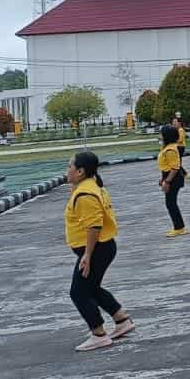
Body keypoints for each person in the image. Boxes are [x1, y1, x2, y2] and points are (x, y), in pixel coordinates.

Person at [63, 151, 133, 352]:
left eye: (70, 166)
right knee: (91, 287)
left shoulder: (85, 194)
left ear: (81, 171)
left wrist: (87, 254)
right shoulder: (89, 186)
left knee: (78, 292)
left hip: (97, 248)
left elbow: (94, 226)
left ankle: (98, 333)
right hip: (101, 247)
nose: (67, 170)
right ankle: (121, 319)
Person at [158, 126, 188, 237]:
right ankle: (179, 227)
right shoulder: (167, 147)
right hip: (168, 176)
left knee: (171, 203)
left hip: (173, 179)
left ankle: (179, 227)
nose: (160, 136)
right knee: (171, 203)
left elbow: (175, 168)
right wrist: (163, 178)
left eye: (161, 134)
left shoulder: (170, 149)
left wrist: (167, 182)